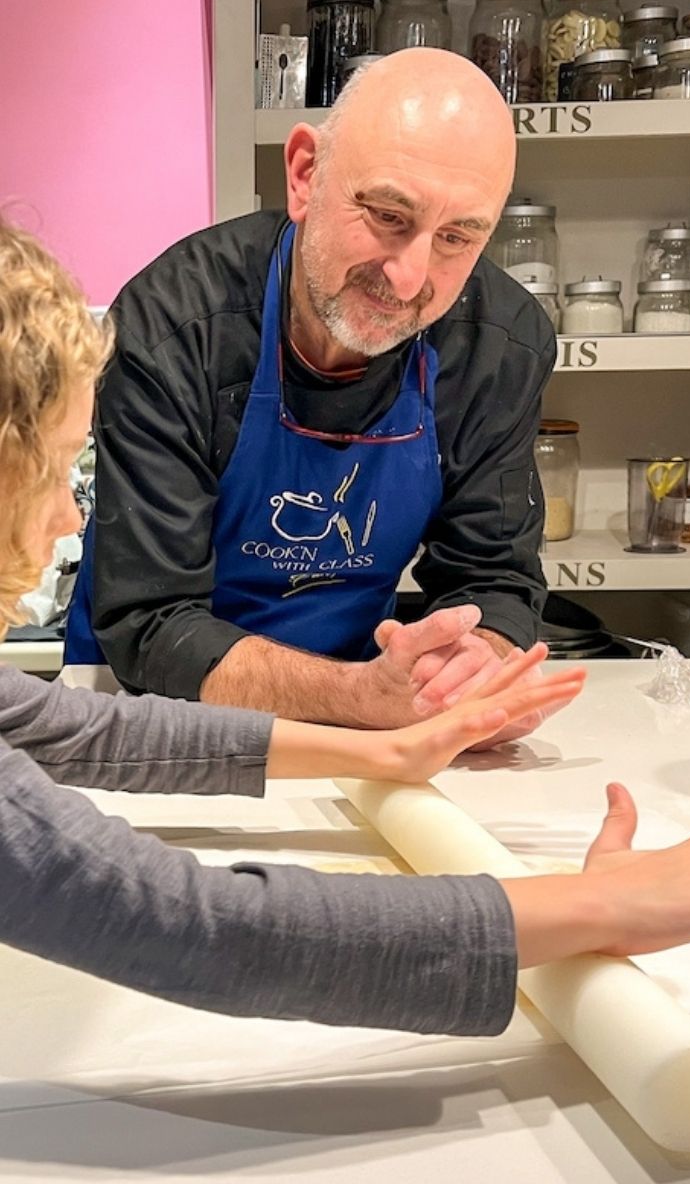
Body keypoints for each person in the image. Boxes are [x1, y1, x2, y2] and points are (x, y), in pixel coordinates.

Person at [0, 216, 690, 1032]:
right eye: (58, 469)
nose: (71, 518)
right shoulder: (183, 316)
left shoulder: (498, 342)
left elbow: (63, 726)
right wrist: (593, 905)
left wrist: (381, 745)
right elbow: (195, 928)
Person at [65, 48, 566, 740]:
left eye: (457, 237)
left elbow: (494, 577)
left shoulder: (498, 344)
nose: (409, 276)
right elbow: (152, 624)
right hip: (156, 717)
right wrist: (359, 698)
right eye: (390, 215)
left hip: (363, 711)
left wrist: (471, 667)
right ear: (304, 175)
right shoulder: (175, 324)